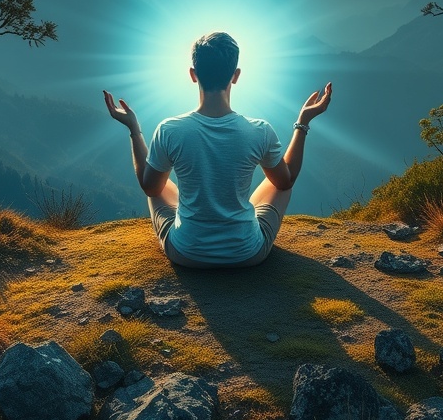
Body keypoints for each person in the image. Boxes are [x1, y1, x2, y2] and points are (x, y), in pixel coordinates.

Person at [103, 31, 331, 269]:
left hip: (186, 253)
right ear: (236, 76)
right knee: (280, 180)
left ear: (193, 74)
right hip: (247, 254)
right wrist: (303, 122)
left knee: (157, 184)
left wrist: (134, 129)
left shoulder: (169, 130)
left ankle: (198, 220)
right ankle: (238, 224)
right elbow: (285, 182)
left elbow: (149, 187)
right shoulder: (259, 131)